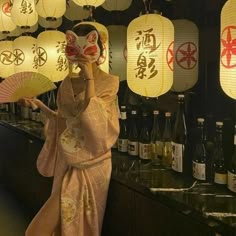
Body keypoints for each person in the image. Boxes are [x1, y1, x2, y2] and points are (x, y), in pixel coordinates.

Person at [23, 23, 120, 236]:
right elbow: (63, 123)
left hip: (92, 163)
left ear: (98, 50)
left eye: (88, 48)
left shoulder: (110, 82)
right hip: (67, 161)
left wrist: (90, 79)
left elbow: (97, 126)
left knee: (37, 232)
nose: (81, 55)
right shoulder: (67, 83)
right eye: (74, 48)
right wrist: (40, 106)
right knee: (60, 229)